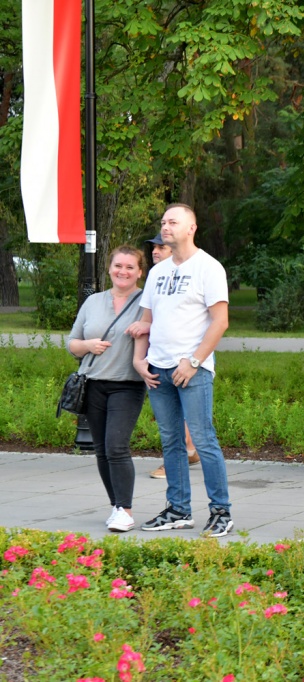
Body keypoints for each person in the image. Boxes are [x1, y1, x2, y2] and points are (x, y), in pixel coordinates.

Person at [129, 203, 235, 538]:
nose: (165, 227)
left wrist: (194, 361)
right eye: (163, 222)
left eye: (173, 222)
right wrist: (140, 361)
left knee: (203, 439)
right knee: (171, 440)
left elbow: (220, 321)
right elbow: (146, 321)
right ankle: (178, 509)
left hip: (193, 370)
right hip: (157, 370)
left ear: (192, 228)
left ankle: (221, 512)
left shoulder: (209, 268)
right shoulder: (158, 272)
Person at [67, 246, 147, 532]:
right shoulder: (93, 302)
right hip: (92, 384)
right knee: (101, 449)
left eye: (130, 267)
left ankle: (126, 510)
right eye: (118, 266)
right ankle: (117, 507)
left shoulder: (147, 302)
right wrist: (88, 345)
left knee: (116, 445)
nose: (123, 271)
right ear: (109, 268)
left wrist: (146, 326)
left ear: (140, 271)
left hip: (127, 385)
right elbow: (72, 343)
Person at [144, 233, 199, 479]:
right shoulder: (156, 276)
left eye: (161, 247)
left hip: (187, 359)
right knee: (175, 413)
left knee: (177, 415)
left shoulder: (190, 273)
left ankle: (176, 460)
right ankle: (189, 450)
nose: (155, 251)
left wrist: (195, 359)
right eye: (154, 247)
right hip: (160, 355)